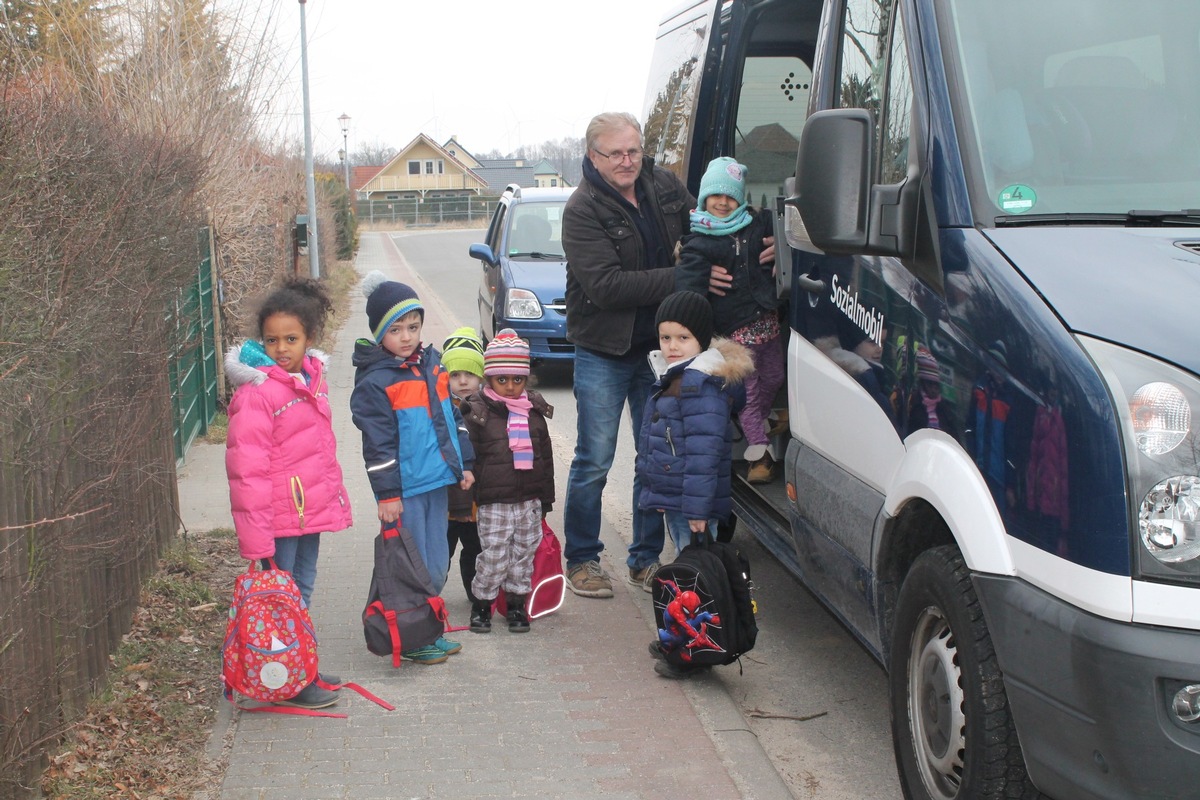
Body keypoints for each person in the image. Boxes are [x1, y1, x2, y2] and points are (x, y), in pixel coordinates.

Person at [224, 276, 352, 710]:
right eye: (272, 340)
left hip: (305, 513)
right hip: (276, 520)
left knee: (301, 592)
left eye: (291, 339)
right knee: (280, 600)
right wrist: (257, 541)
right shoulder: (258, 392)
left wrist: (329, 501)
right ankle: (290, 681)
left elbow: (317, 453)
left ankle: (301, 667)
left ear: (309, 338)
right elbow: (247, 472)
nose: (282, 348)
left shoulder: (309, 381)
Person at [350, 271, 475, 665]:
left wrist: (464, 462)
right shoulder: (376, 383)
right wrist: (386, 495)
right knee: (410, 564)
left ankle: (426, 627)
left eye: (414, 326)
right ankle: (412, 634)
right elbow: (379, 447)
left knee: (436, 561)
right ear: (378, 334)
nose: (407, 336)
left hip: (436, 482)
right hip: (404, 491)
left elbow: (451, 418)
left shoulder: (430, 366)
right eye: (396, 329)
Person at [675, 157, 783, 485]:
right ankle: (759, 452)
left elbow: (789, 224)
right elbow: (688, 285)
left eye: (731, 196)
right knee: (747, 391)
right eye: (716, 196)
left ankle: (758, 419)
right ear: (705, 198)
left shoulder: (759, 222)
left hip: (767, 322)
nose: (723, 203)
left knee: (775, 376)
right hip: (732, 332)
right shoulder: (699, 240)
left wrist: (785, 246)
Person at [636, 291, 751, 554]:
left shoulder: (699, 385)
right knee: (688, 565)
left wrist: (698, 510)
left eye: (683, 338)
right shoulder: (678, 375)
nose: (672, 346)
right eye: (665, 338)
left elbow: (704, 456)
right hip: (680, 497)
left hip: (692, 504)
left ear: (701, 338)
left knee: (693, 569)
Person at [458, 330, 555, 634]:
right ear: (489, 378)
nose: (510, 387)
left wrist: (546, 500)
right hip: (493, 501)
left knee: (523, 556)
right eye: (502, 380)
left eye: (517, 379)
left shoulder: (534, 413)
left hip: (529, 500)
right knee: (494, 555)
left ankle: (515, 605)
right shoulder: (476, 412)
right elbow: (467, 461)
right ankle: (482, 605)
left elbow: (545, 459)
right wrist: (467, 501)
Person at [441, 327, 487, 604]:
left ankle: (476, 594)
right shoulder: (440, 409)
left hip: (477, 502)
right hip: (447, 501)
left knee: (475, 550)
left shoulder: (489, 409)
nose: (462, 381)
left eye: (469, 373)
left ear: (481, 376)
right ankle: (430, 595)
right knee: (440, 551)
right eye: (454, 375)